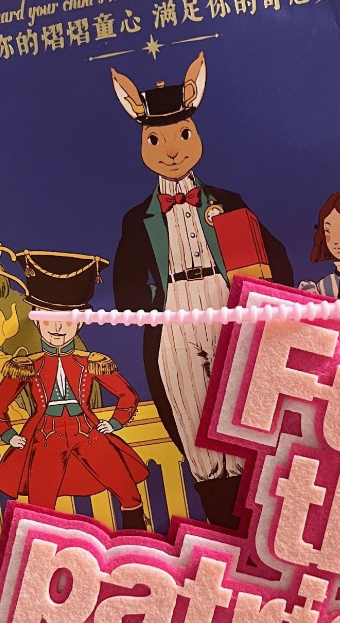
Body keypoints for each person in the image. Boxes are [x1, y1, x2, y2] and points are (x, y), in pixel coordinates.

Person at [110, 53, 293, 530]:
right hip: (175, 309)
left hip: (227, 298)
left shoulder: (228, 202)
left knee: (245, 405)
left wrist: (275, 303)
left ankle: (265, 520)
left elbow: (272, 254)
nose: (172, 150)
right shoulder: (138, 218)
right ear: (143, 143)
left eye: (183, 135)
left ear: (196, 134)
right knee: (193, 416)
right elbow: (127, 280)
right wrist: (147, 308)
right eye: (156, 139)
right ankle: (222, 526)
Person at [0, 251, 150, 530]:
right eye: (49, 318)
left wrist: (114, 423)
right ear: (36, 320)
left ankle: (136, 538)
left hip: (88, 433)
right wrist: (9, 435)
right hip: (44, 439)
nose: (58, 328)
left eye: (67, 319)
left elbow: (128, 396)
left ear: (79, 321)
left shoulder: (91, 362)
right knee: (40, 507)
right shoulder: (27, 366)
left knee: (128, 491)